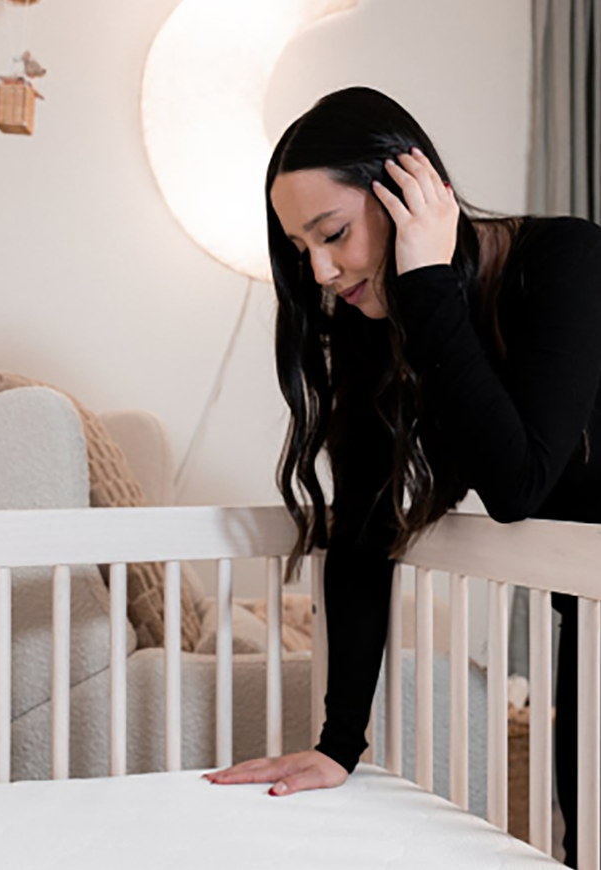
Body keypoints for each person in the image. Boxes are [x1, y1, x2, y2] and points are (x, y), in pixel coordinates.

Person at [201, 86, 601, 868]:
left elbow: (519, 483)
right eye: (301, 248)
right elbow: (362, 527)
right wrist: (337, 744)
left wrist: (427, 281)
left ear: (410, 190)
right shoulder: (383, 327)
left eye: (333, 234)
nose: (320, 270)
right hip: (590, 618)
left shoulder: (567, 261)